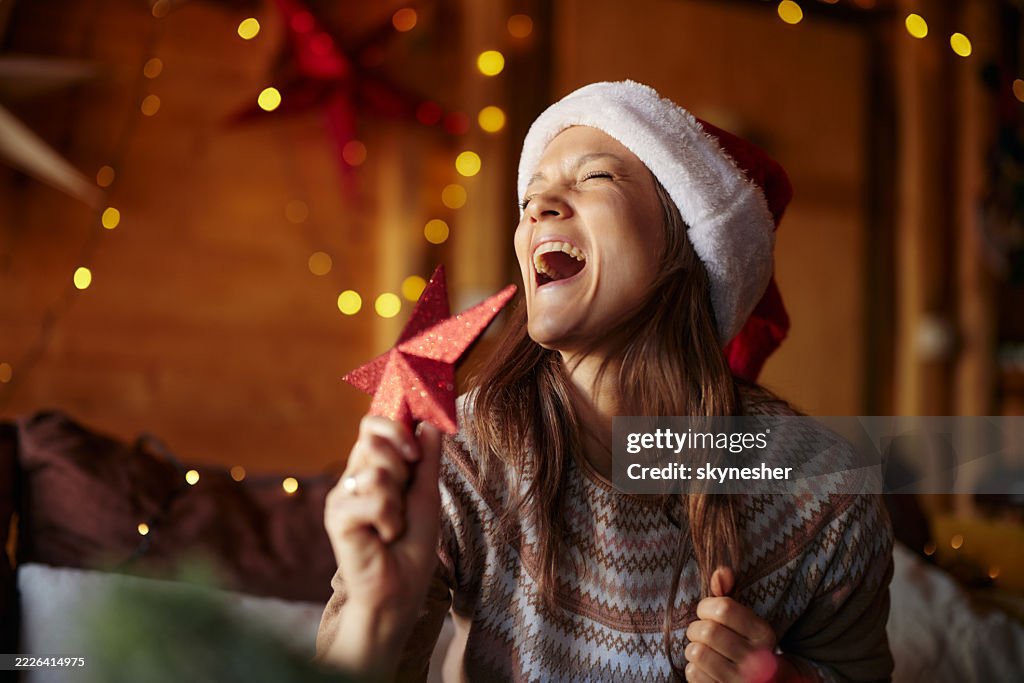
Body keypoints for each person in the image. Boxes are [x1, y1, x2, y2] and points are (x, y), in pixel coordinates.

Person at [316, 80, 894, 682]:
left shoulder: (826, 493)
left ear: (691, 242)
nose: (538, 207)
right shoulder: (456, 451)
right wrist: (377, 612)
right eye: (530, 198)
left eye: (595, 177)